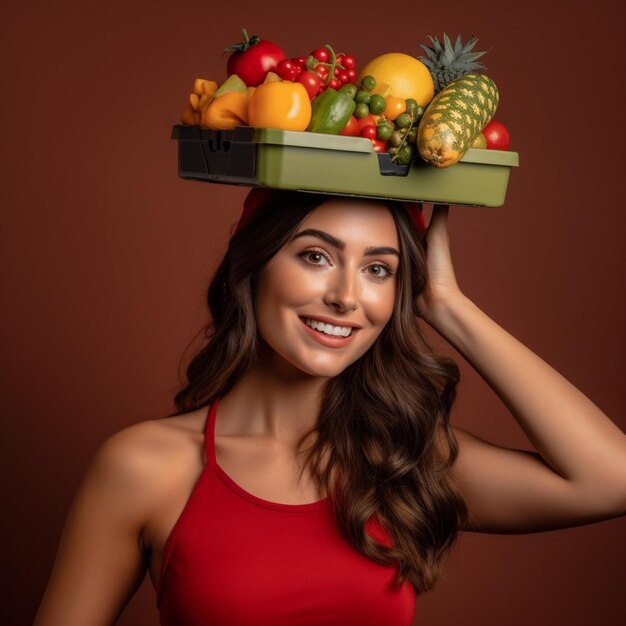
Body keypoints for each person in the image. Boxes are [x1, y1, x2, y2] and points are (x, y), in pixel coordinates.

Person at [34, 190, 626, 626]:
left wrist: (448, 305)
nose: (346, 296)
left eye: (378, 270)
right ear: (255, 264)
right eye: (316, 256)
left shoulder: (403, 456)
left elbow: (610, 479)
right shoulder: (145, 466)